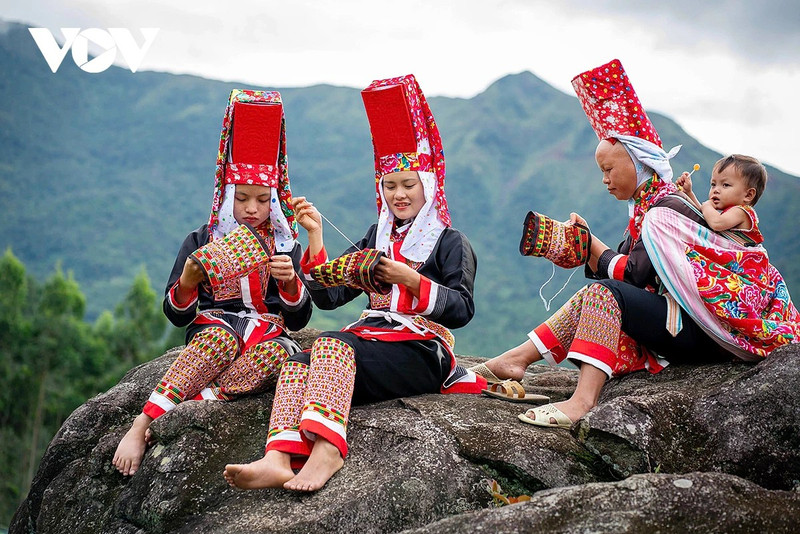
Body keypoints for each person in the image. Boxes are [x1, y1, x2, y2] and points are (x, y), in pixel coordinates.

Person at [472, 59, 798, 429]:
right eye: (602, 171)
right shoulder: (647, 209)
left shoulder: (662, 212)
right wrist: (586, 248)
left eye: (610, 169)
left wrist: (594, 246)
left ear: (639, 162)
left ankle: (582, 400)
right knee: (595, 296)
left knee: (602, 295)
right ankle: (516, 359)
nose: (605, 179)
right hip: (687, 324)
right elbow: (630, 272)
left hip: (703, 329)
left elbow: (635, 272)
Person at [223, 74, 486, 492]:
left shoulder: (450, 242)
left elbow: (462, 309)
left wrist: (411, 279)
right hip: (374, 345)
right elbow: (329, 297)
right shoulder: (375, 236)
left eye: (408, 185)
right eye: (390, 186)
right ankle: (278, 457)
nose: (398, 196)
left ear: (429, 186)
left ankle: (327, 452)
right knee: (298, 362)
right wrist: (315, 237)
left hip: (423, 352)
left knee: (333, 343)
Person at [112, 90, 312, 476]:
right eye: (242, 199)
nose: (251, 209)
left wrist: (289, 285)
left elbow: (300, 317)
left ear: (273, 202)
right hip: (216, 326)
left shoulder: (286, 245)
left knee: (280, 356)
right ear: (226, 199)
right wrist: (188, 280)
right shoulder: (201, 240)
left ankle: (197, 401)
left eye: (260, 200)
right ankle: (142, 424)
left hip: (267, 332)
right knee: (218, 342)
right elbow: (175, 312)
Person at [676, 154, 766, 245]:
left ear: (748, 195)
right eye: (713, 184)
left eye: (726, 185)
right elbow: (703, 215)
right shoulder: (725, 215)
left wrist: (707, 205)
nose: (716, 190)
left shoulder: (742, 212)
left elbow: (716, 223)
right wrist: (688, 193)